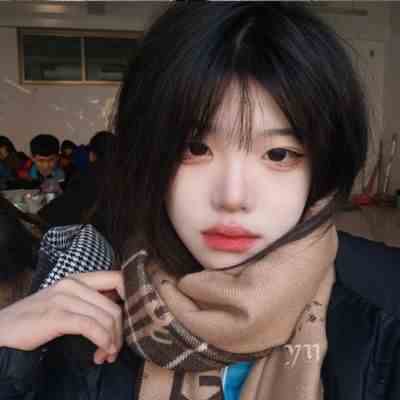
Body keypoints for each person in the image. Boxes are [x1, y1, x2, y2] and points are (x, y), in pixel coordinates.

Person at [0, 3, 400, 400]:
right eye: (195, 148)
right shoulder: (97, 318)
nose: (232, 197)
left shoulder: (386, 310)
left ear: (323, 166)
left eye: (278, 154)